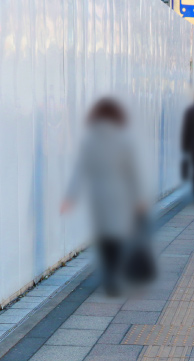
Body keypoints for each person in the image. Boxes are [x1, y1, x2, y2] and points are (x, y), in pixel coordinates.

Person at [62, 98, 147, 296]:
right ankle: (115, 274)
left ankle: (110, 274)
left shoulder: (90, 141)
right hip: (120, 193)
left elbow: (80, 170)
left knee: (104, 235)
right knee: (118, 234)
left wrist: (70, 197)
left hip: (97, 194)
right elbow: (132, 172)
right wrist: (138, 197)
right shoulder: (124, 140)